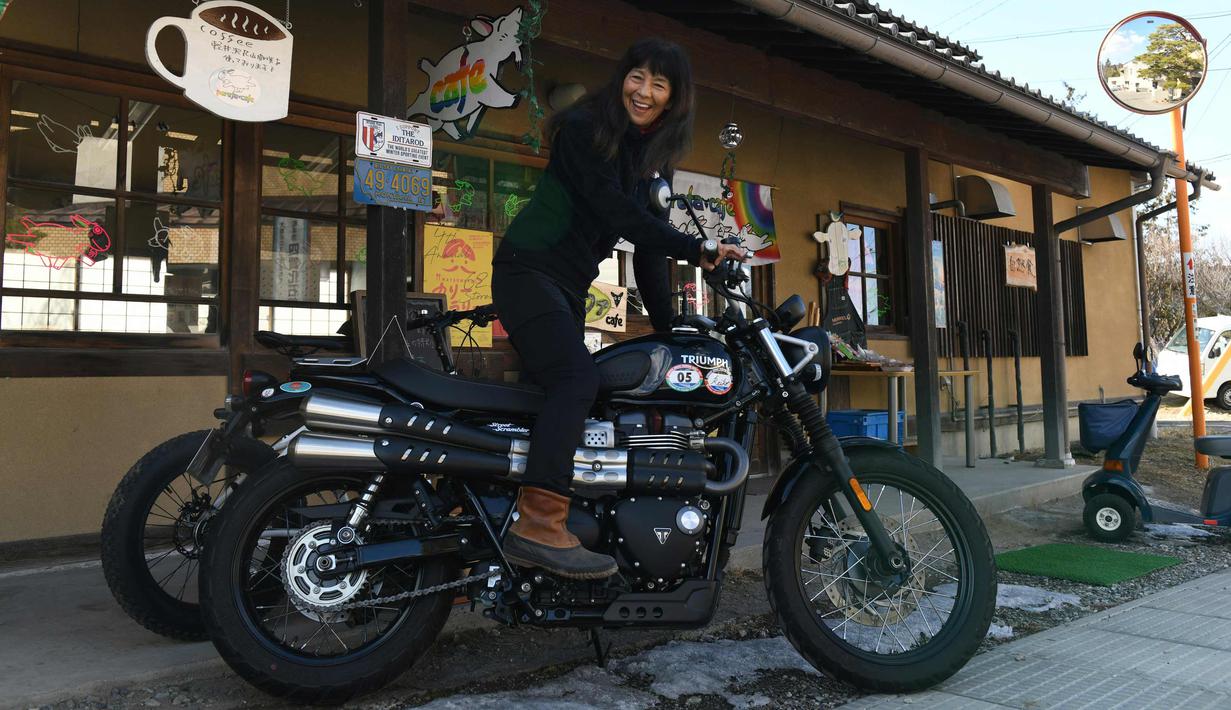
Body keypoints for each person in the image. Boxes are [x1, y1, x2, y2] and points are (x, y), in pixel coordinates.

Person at [492, 38, 747, 579]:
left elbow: (649, 247)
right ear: (622, 79)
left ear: (675, 98)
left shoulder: (650, 159)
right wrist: (698, 250)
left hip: (561, 285)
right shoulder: (586, 130)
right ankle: (538, 524)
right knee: (574, 380)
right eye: (638, 77)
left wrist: (670, 333)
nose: (645, 91)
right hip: (527, 271)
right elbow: (620, 215)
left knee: (592, 386)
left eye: (659, 83)